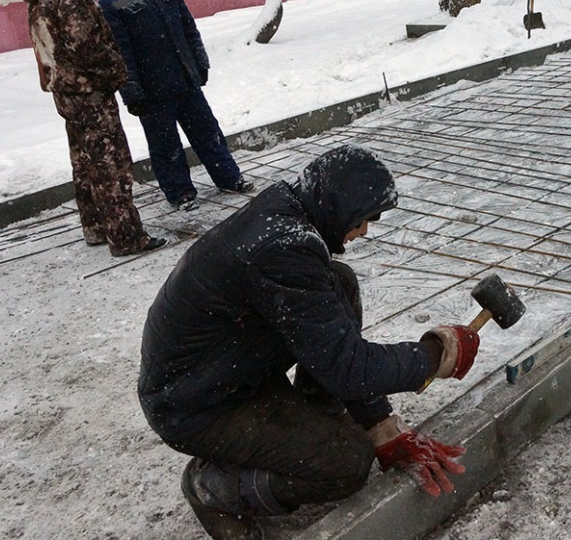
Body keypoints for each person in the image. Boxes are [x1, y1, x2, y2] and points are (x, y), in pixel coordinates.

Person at [137, 144, 481, 540]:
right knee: (346, 464)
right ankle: (211, 487)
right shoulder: (282, 248)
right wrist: (439, 354)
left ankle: (316, 420)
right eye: (363, 219)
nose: (365, 231)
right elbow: (351, 367)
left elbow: (337, 353)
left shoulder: (289, 215)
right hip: (193, 403)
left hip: (225, 370)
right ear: (337, 207)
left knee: (340, 282)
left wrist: (380, 426)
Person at [18, 0, 166, 257]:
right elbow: (85, 47)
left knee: (84, 163)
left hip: (67, 92)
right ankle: (127, 237)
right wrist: (116, 71)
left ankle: (96, 227)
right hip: (90, 93)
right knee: (110, 165)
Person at [99, 0, 254, 212]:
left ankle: (229, 177)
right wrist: (132, 92)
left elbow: (188, 27)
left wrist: (200, 62)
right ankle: (180, 193)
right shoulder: (112, 1)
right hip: (152, 92)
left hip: (185, 80)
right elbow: (121, 53)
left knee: (209, 133)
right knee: (165, 146)